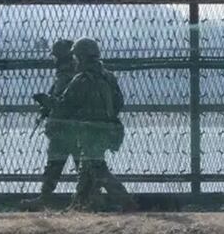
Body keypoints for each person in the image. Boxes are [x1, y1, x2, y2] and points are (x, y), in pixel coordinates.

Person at [57, 38, 136, 212]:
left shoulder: (81, 79)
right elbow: (119, 102)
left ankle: (126, 201)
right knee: (87, 168)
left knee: (98, 168)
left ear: (82, 57)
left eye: (77, 57)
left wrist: (49, 104)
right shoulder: (108, 76)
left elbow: (66, 104)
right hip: (108, 129)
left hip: (90, 131)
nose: (75, 60)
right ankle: (77, 206)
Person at [19, 39, 78, 211]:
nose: (55, 60)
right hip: (67, 128)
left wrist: (47, 101)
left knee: (61, 164)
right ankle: (46, 197)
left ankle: (47, 198)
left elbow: (65, 103)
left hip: (67, 128)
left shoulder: (70, 76)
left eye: (57, 56)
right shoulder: (68, 75)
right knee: (60, 164)